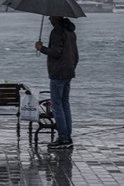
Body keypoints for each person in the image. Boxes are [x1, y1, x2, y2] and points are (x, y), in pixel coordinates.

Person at [35, 16, 79, 149]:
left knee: (57, 106)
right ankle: (67, 136)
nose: (49, 18)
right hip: (68, 72)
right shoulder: (70, 32)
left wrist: (41, 48)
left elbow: (56, 52)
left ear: (56, 17)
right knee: (65, 105)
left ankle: (64, 138)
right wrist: (71, 67)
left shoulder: (57, 32)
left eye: (51, 15)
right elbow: (75, 55)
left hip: (58, 73)